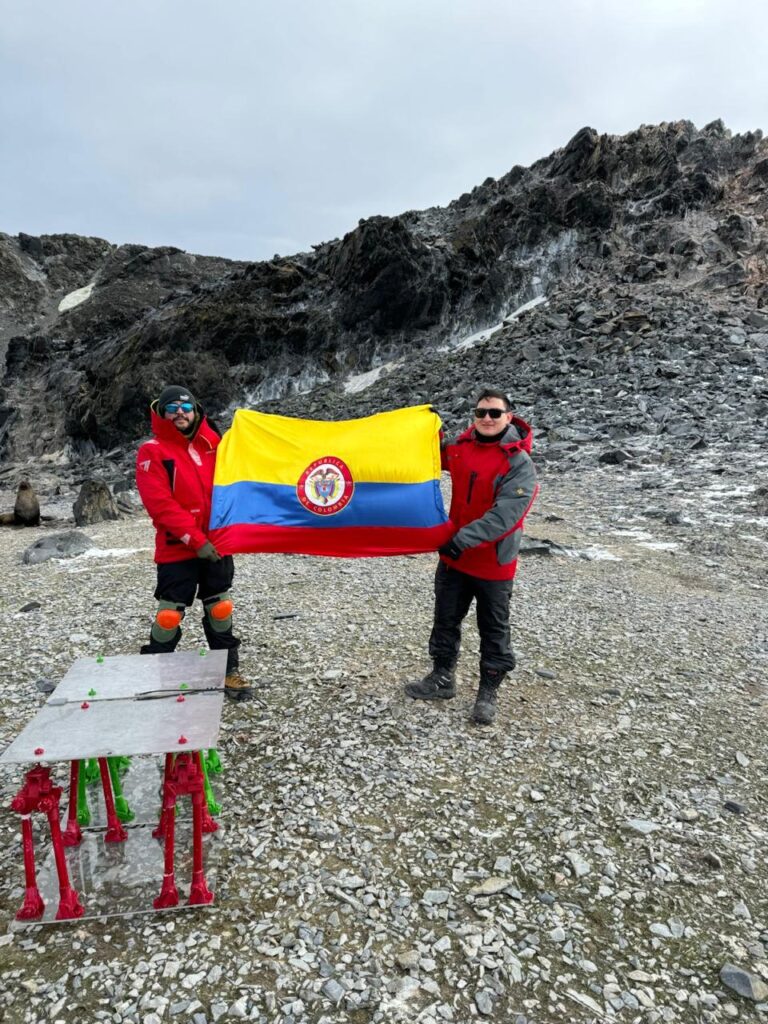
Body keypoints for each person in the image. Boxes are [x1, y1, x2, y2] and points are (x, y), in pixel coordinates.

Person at [405, 388, 538, 725]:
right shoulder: (461, 449)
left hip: (493, 562)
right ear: (473, 417)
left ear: (509, 416)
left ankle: (488, 692)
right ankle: (442, 677)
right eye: (481, 413)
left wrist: (462, 539)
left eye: (495, 413)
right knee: (445, 619)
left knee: (493, 628)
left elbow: (507, 515)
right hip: (454, 558)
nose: (487, 419)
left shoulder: (518, 462)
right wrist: (426, 424)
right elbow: (429, 454)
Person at [135, 384, 252, 702]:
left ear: (196, 409)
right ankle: (156, 673)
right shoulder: (153, 451)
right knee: (170, 613)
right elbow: (160, 505)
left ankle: (228, 671)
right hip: (178, 548)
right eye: (172, 409)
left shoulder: (215, 444)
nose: (180, 413)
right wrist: (194, 540)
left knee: (220, 607)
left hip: (217, 544)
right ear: (162, 414)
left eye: (185, 407)